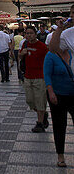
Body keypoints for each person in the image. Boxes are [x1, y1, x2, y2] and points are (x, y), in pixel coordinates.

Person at [45, 36, 74, 167]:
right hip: (57, 95)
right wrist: (51, 92)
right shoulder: (51, 56)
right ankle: (60, 155)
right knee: (59, 125)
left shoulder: (71, 54)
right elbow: (47, 75)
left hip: (73, 94)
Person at [18, 23, 49, 133]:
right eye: (27, 33)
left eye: (31, 33)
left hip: (40, 77)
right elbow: (20, 57)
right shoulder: (25, 44)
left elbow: (48, 60)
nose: (29, 35)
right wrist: (22, 53)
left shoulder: (42, 46)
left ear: (36, 34)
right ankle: (43, 114)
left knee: (40, 100)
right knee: (30, 100)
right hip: (28, 76)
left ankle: (40, 122)